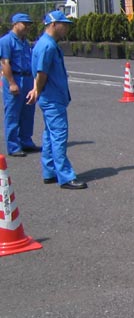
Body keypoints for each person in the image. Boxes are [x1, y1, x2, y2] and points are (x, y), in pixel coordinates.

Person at [26, 11, 87, 190]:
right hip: (52, 98)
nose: (66, 28)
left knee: (49, 134)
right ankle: (66, 176)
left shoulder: (45, 43)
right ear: (53, 24)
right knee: (59, 135)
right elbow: (41, 72)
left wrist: (36, 90)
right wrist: (37, 90)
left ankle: (49, 171)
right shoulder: (48, 46)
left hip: (50, 97)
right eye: (64, 24)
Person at [0, 13, 39, 157]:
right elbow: (5, 63)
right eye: (25, 23)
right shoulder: (6, 41)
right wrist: (11, 83)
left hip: (27, 78)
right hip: (15, 78)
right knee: (13, 113)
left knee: (27, 112)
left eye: (29, 24)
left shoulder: (24, 41)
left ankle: (26, 141)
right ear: (15, 23)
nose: (27, 27)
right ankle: (13, 146)